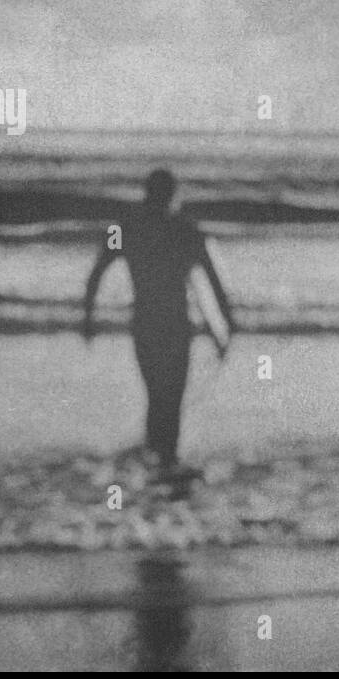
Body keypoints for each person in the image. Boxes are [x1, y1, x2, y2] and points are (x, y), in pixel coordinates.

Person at [82, 169, 234, 467]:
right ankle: (166, 467)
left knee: (156, 397)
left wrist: (88, 318)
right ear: (172, 195)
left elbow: (97, 272)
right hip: (176, 326)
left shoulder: (126, 229)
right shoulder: (186, 230)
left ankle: (157, 463)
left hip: (145, 324)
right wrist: (225, 330)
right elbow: (214, 285)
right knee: (171, 401)